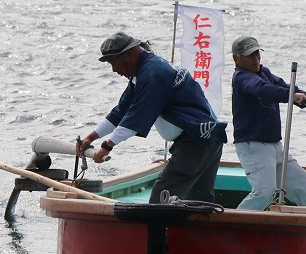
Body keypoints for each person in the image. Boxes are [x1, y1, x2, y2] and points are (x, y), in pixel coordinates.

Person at [76, 31, 227, 203]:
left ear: (129, 55)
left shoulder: (153, 74)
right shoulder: (143, 73)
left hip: (195, 142)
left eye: (114, 62)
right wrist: (91, 137)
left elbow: (137, 117)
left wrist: (107, 146)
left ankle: (161, 224)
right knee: (199, 200)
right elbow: (121, 111)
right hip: (209, 139)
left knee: (161, 198)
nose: (114, 70)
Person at [230, 35, 306, 210]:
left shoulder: (264, 73)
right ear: (236, 59)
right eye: (250, 55)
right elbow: (263, 90)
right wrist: (291, 96)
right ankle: (231, 224)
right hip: (254, 148)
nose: (256, 58)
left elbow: (284, 87)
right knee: (264, 192)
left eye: (257, 53)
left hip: (276, 147)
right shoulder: (241, 78)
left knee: (305, 187)